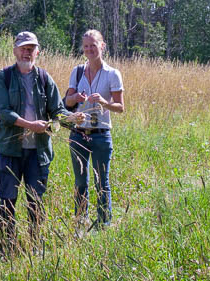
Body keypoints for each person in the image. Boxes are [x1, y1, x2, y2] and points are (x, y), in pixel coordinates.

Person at [0, 31, 84, 248]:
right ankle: (7, 246)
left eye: (31, 48)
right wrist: (30, 125)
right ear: (15, 50)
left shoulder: (44, 78)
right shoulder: (3, 77)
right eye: (23, 48)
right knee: (7, 200)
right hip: (10, 150)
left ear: (38, 52)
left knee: (36, 201)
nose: (27, 52)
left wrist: (72, 118)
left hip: (38, 152)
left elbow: (57, 110)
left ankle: (35, 246)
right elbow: (4, 112)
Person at [64, 29, 124, 230]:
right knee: (80, 182)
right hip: (78, 133)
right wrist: (76, 99)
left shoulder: (112, 74)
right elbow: (67, 101)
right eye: (86, 46)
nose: (90, 49)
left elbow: (120, 107)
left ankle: (104, 224)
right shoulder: (77, 71)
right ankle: (81, 223)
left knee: (101, 182)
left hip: (101, 135)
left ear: (102, 46)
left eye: (93, 45)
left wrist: (105, 103)